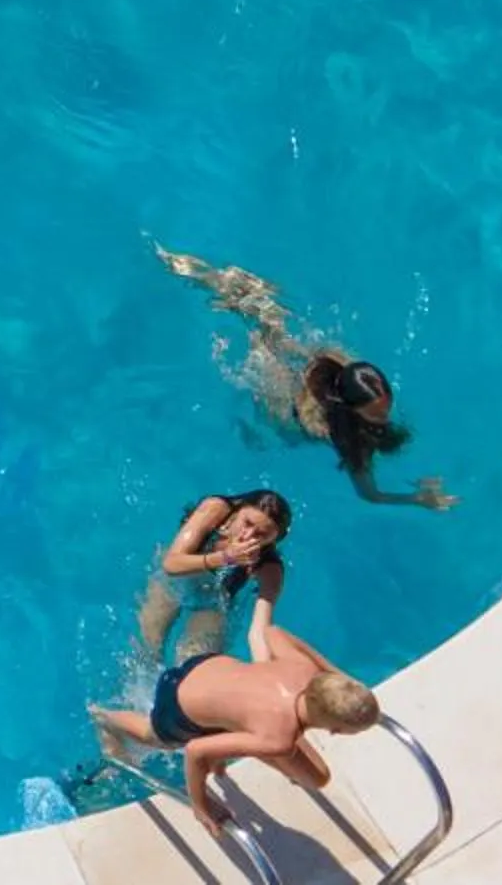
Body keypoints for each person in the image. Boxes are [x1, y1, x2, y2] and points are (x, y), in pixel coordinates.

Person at [156, 246, 457, 510]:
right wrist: (417, 499)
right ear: (349, 407)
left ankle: (236, 294)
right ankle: (202, 278)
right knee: (260, 427)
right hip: (286, 411)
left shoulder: (343, 363)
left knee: (272, 330)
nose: (386, 415)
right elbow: (370, 494)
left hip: (306, 381)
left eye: (385, 406)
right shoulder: (338, 433)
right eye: (377, 412)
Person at [91, 596, 382, 829]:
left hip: (203, 665)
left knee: (240, 718)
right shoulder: (277, 738)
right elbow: (194, 751)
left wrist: (332, 671)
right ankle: (104, 718)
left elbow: (273, 632)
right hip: (178, 704)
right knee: (152, 735)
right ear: (335, 730)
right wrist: (201, 805)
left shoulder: (303, 669)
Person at [138, 488, 290, 665]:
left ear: (272, 541)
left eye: (261, 535)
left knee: (192, 663)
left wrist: (264, 668)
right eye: (247, 523)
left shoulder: (269, 567)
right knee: (148, 646)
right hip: (176, 581)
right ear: (237, 512)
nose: (247, 535)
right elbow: (171, 564)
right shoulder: (214, 510)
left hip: (212, 602)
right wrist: (225, 558)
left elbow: (260, 629)